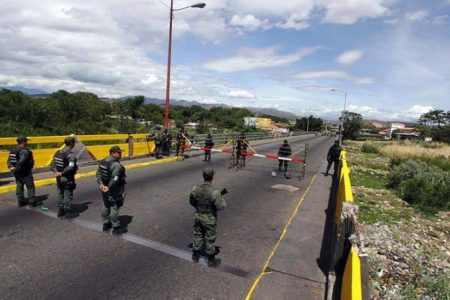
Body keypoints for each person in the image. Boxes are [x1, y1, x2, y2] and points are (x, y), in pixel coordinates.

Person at [189, 167, 226, 267]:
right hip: (209, 218)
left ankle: (195, 256)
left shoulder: (196, 188)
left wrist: (199, 207)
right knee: (209, 238)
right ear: (212, 177)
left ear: (203, 176)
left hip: (199, 215)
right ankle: (210, 260)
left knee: (198, 235)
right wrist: (221, 198)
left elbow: (191, 201)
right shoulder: (215, 192)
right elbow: (221, 206)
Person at [96, 146, 128, 235]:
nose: (121, 154)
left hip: (104, 187)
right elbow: (115, 179)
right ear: (113, 153)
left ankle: (106, 224)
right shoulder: (116, 165)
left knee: (105, 204)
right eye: (119, 153)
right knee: (114, 206)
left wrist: (101, 184)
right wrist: (109, 187)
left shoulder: (104, 161)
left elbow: (98, 174)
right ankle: (116, 227)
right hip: (113, 188)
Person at [50, 136, 78, 218]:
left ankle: (60, 211)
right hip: (67, 177)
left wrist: (56, 172)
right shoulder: (70, 154)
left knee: (60, 193)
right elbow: (71, 167)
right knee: (67, 194)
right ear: (71, 143)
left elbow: (52, 165)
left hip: (58, 177)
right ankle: (68, 212)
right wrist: (62, 173)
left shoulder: (58, 152)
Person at [7, 136, 39, 207]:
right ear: (23, 142)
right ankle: (32, 202)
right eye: (26, 141)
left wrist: (11, 167)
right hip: (25, 172)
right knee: (30, 187)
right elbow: (22, 161)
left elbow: (9, 161)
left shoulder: (13, 150)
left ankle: (20, 201)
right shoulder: (24, 151)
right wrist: (16, 168)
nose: (27, 143)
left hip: (17, 173)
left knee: (19, 186)